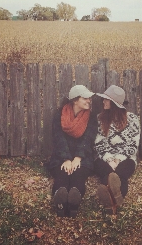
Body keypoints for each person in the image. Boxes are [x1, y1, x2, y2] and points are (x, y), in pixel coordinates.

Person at [48, 85, 98, 218]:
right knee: (62, 175)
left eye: (89, 98)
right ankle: (60, 203)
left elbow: (88, 138)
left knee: (78, 176)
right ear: (75, 100)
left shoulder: (91, 118)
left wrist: (78, 158)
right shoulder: (60, 115)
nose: (89, 100)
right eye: (85, 98)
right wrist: (66, 159)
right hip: (61, 157)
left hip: (83, 157)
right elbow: (58, 138)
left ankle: (74, 203)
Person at [93, 85, 140, 214]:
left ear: (114, 103)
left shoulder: (133, 119)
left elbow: (133, 145)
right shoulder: (100, 119)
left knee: (120, 175)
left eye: (106, 99)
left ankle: (110, 203)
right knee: (108, 174)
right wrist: (109, 159)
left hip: (126, 158)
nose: (103, 102)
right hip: (103, 158)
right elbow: (99, 142)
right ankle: (116, 200)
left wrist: (118, 159)